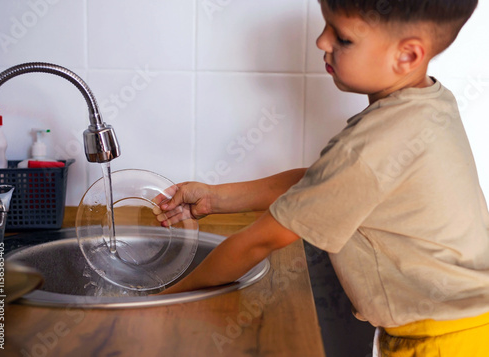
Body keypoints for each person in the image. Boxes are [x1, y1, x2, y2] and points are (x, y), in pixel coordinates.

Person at [153, 0, 489, 355]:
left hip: (447, 344)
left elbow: (260, 242)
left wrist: (166, 299)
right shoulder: (428, 102)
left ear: (407, 56)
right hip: (466, 326)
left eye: (342, 38)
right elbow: (323, 181)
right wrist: (214, 198)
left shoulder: (370, 146)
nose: (321, 41)